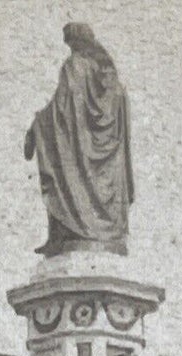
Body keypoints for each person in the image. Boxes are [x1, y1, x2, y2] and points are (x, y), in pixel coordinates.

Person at [24, 23, 134, 256]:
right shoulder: (113, 83)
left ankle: (69, 230)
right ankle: (95, 229)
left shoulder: (75, 67)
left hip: (79, 159)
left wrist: (36, 126)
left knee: (61, 169)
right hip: (105, 174)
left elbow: (62, 111)